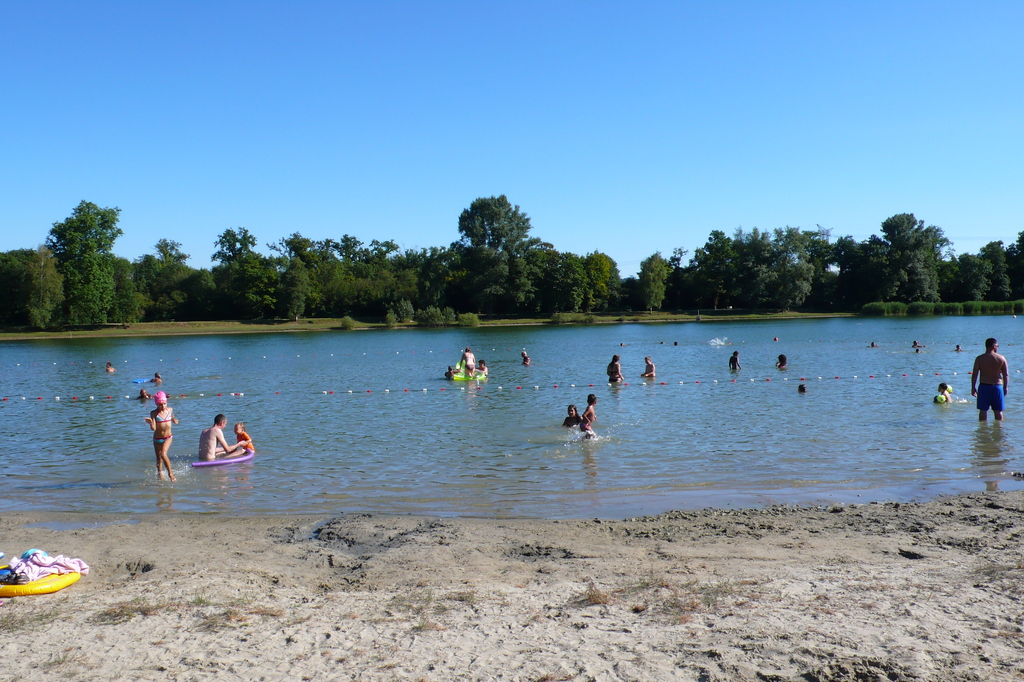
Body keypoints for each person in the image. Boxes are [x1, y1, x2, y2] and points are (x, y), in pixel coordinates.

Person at [971, 338, 1009, 421]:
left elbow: (975, 374)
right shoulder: (1001, 358)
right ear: (994, 346)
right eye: (997, 346)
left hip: (984, 387)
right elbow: (1006, 375)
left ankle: (982, 428)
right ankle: (999, 427)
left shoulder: (979, 359)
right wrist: (1006, 387)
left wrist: (973, 387)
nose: (997, 348)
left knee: (983, 410)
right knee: (998, 411)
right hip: (997, 387)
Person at [144, 391, 178, 481]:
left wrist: (174, 420)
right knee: (159, 459)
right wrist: (151, 423)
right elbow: (154, 428)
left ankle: (170, 474)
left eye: (164, 404)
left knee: (163, 454)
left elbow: (172, 417)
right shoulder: (154, 413)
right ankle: (160, 476)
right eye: (160, 405)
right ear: (156, 404)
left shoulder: (169, 410)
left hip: (168, 437)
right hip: (157, 439)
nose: (163, 406)